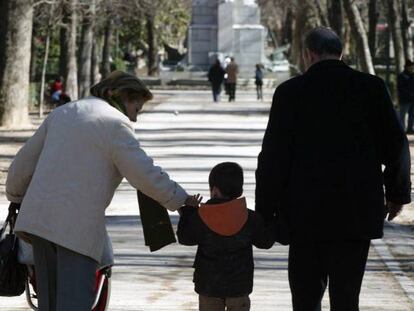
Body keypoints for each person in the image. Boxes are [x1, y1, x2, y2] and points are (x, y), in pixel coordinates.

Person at [6, 70, 198, 311]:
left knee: (48, 303)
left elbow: (22, 166)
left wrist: (14, 196)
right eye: (136, 109)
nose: (135, 119)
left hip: (38, 225)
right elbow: (144, 174)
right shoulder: (115, 124)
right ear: (123, 97)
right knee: (74, 304)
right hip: (76, 230)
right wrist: (181, 200)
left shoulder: (63, 112)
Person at [255, 27, 411, 310]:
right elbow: (396, 143)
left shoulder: (290, 93)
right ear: (341, 53)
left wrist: (265, 212)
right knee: (347, 297)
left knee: (305, 298)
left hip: (304, 213)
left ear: (308, 55)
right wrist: (397, 193)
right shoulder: (371, 88)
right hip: (356, 212)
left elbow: (272, 158)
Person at [177, 162, 274, 311]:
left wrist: (188, 212)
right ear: (240, 190)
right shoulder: (250, 217)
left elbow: (185, 238)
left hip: (208, 287)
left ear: (214, 190)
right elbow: (265, 242)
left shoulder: (201, 216)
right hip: (239, 287)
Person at [397, 60, 414, 133]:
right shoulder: (401, 76)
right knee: (402, 115)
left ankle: (410, 129)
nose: (412, 68)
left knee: (412, 115)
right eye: (411, 67)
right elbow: (400, 87)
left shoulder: (413, 76)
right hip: (404, 99)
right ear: (407, 67)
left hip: (412, 99)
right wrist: (409, 94)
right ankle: (401, 129)